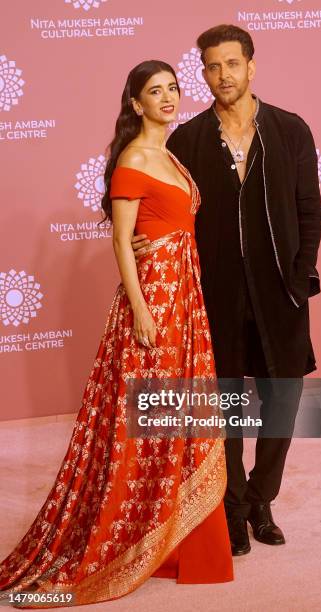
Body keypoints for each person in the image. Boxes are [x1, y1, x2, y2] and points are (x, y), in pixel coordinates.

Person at [0, 60, 233, 608]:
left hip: (185, 305)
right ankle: (126, 536)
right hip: (152, 303)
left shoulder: (172, 157)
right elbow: (122, 243)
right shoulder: (133, 160)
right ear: (136, 104)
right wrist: (141, 309)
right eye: (156, 91)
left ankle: (172, 538)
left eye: (173, 87)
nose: (169, 97)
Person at [132, 26, 321, 556]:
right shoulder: (186, 139)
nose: (223, 76)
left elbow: (310, 208)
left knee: (282, 400)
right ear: (205, 72)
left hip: (280, 294)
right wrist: (141, 241)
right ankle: (232, 508)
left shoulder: (291, 130)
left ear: (251, 67)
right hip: (212, 293)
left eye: (232, 64)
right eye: (213, 67)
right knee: (228, 408)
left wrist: (299, 276)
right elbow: (153, 198)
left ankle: (263, 500)